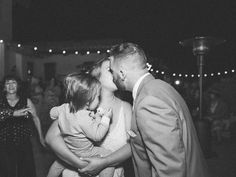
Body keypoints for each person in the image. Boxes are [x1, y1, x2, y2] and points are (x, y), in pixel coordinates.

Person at [79, 43, 210, 177]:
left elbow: (170, 169)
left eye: (112, 71)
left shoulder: (149, 101)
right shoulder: (158, 87)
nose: (112, 75)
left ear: (122, 72)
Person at [45, 58, 133, 177]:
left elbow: (133, 145)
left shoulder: (126, 107)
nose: (116, 71)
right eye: (109, 69)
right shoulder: (78, 106)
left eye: (118, 68)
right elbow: (50, 138)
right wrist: (81, 164)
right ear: (96, 77)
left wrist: (105, 162)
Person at [46, 73, 115, 177]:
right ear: (87, 101)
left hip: (70, 148)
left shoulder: (64, 108)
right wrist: (106, 119)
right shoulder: (84, 118)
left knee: (58, 163)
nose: (99, 99)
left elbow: (52, 114)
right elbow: (97, 136)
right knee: (109, 156)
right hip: (85, 152)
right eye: (98, 97)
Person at [0, 75, 46, 177]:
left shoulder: (26, 101)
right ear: (4, 87)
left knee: (26, 170)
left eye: (14, 83)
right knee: (7, 170)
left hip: (23, 141)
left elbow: (36, 118)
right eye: (8, 83)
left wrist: (41, 137)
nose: (11, 86)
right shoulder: (1, 101)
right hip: (4, 141)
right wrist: (12, 113)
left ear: (18, 86)